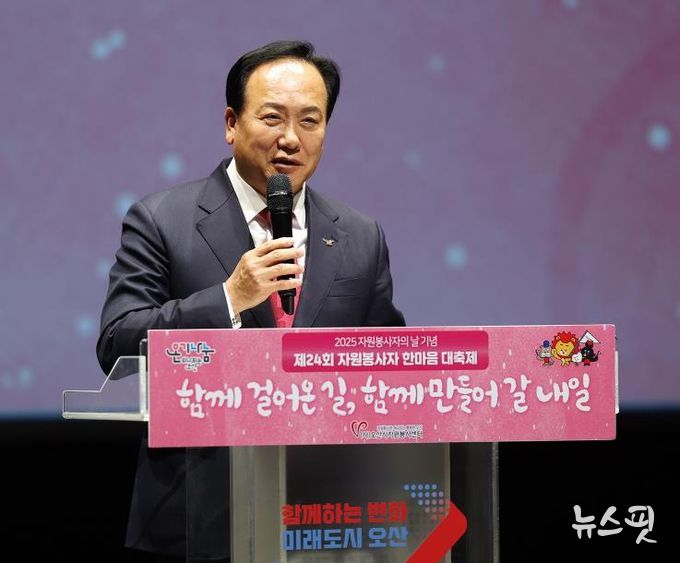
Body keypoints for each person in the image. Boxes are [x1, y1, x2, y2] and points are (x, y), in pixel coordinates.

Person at [97, 40, 405, 561]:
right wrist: (228, 298)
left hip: (327, 521)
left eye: (310, 121)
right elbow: (116, 344)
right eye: (272, 117)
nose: (291, 138)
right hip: (196, 520)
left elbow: (388, 367)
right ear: (231, 123)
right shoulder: (161, 220)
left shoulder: (360, 235)